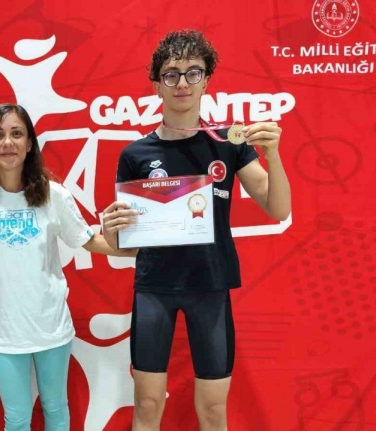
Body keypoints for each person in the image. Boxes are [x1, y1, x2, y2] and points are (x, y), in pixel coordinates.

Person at [102, 30, 291, 431]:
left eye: (193, 72)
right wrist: (111, 228)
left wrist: (272, 156)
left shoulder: (228, 143)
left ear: (206, 81)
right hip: (154, 288)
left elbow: (278, 208)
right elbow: (124, 242)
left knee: (213, 410)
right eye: (171, 74)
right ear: (157, 84)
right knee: (147, 404)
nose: (182, 83)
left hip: (211, 285)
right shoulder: (135, 154)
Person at [0, 103, 134, 431]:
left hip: (51, 326)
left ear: (30, 143)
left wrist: (140, 249)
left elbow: (90, 241)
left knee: (55, 408)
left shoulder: (53, 195)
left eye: (17, 134)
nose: (8, 142)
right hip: (5, 331)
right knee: (16, 418)